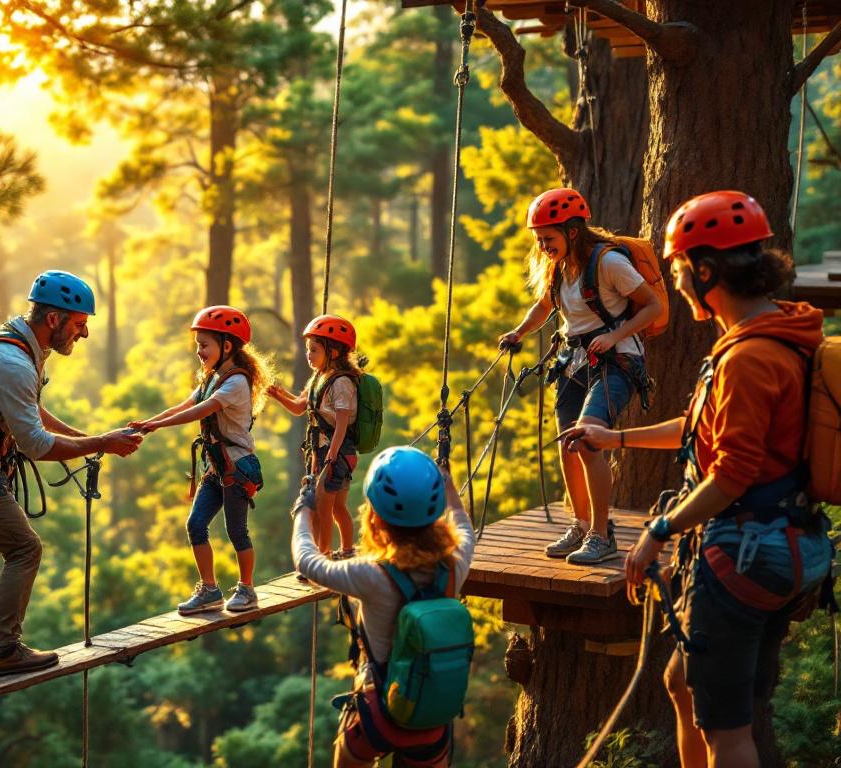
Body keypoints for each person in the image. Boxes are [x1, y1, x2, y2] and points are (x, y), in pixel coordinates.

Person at [565, 191, 834, 768]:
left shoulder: (749, 359)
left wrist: (657, 530)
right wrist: (616, 439)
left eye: (678, 270)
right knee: (683, 683)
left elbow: (732, 473)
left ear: (705, 269)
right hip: (783, 544)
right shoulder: (776, 336)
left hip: (745, 549)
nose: (674, 284)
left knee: (728, 732)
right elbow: (699, 428)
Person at [0, 270, 142, 684]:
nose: (85, 333)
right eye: (79, 323)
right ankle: (4, 649)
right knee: (25, 550)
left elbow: (29, 412)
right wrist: (102, 443)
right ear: (55, 319)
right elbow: (36, 445)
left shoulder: (21, 347)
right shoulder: (11, 360)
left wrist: (91, 439)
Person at [498, 188, 663, 564]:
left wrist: (614, 335)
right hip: (575, 361)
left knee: (587, 440)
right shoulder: (558, 267)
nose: (542, 246)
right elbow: (544, 307)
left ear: (572, 231)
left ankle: (602, 536)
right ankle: (581, 523)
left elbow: (652, 306)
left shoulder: (607, 263)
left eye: (548, 238)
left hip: (617, 360)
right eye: (538, 239)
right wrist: (519, 333)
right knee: (566, 446)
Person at [291, 446, 475, 767]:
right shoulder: (454, 565)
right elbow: (462, 525)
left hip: (378, 714)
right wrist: (447, 487)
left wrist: (304, 511)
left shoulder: (371, 574)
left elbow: (308, 562)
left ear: (374, 516)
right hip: (432, 717)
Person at [130, 306, 269, 614]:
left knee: (237, 531)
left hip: (237, 468)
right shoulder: (213, 378)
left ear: (227, 346)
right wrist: (147, 423)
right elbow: (184, 404)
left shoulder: (235, 383)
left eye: (204, 345)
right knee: (195, 524)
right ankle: (209, 589)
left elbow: (199, 412)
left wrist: (156, 426)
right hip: (217, 467)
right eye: (198, 345)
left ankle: (247, 590)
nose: (199, 351)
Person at [268, 313, 362, 560]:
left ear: (333, 352)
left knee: (325, 507)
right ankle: (347, 549)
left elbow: (342, 422)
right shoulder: (320, 378)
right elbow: (300, 407)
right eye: (308, 349)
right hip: (324, 451)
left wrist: (330, 456)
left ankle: (323, 554)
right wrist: (279, 395)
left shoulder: (341, 383)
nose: (309, 355)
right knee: (335, 506)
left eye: (315, 350)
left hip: (336, 452)